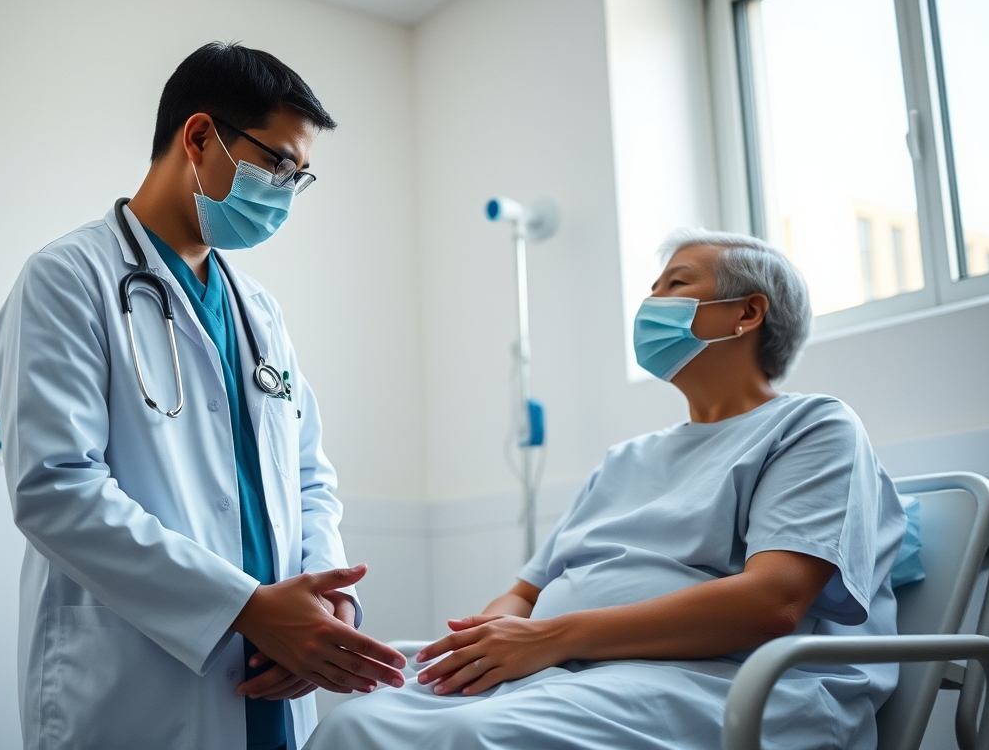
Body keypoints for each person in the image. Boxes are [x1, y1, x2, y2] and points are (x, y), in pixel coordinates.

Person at [306, 229, 907, 750]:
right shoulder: (629, 459)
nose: (652, 301)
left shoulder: (814, 426)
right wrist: (487, 642)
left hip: (721, 679)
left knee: (473, 741)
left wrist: (550, 637)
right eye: (654, 286)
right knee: (357, 725)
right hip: (567, 672)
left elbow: (772, 602)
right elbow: (524, 593)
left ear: (747, 313)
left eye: (676, 283)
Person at [0, 42, 405, 750]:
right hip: (138, 681)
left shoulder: (259, 312)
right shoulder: (68, 279)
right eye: (279, 163)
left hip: (275, 670)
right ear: (201, 136)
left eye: (300, 177)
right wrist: (246, 609)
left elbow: (308, 477)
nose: (285, 191)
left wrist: (324, 603)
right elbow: (55, 490)